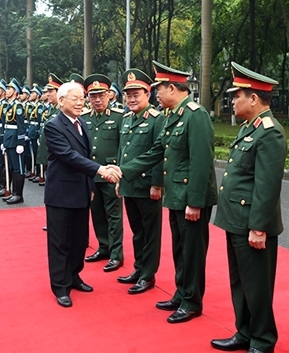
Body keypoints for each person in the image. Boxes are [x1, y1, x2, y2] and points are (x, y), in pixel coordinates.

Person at [116, 61, 217, 324]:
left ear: (172, 88)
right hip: (176, 198)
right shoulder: (174, 115)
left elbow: (201, 162)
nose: (156, 94)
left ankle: (192, 302)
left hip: (191, 200)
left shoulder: (196, 115)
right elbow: (155, 152)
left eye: (158, 89)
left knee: (192, 252)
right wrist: (123, 170)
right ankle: (181, 293)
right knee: (180, 250)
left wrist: (195, 202)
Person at [210, 62, 286, 353]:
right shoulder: (249, 128)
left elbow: (267, 187)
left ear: (253, 98)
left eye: (236, 95)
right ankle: (244, 332)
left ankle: (263, 340)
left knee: (258, 286)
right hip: (235, 220)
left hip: (252, 224)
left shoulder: (270, 132)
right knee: (240, 282)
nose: (232, 101)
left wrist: (258, 227)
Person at [44, 81, 121, 308]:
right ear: (61, 101)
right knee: (60, 242)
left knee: (79, 241)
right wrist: (100, 170)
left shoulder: (82, 124)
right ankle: (60, 286)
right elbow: (69, 156)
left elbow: (85, 154)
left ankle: (74, 276)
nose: (80, 103)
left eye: (81, 99)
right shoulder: (53, 126)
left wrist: (90, 187)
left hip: (81, 192)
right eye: (75, 99)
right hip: (60, 194)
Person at [115, 68, 164, 294]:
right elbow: (122, 152)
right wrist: (119, 178)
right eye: (128, 95)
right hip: (129, 184)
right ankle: (138, 268)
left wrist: (157, 184)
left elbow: (160, 154)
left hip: (147, 187)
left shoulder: (157, 119)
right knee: (136, 231)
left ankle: (148, 275)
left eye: (136, 94)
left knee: (150, 232)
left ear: (148, 94)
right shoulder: (126, 119)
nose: (131, 99)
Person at [82, 73, 125, 272]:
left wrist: (120, 174)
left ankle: (116, 254)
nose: (97, 100)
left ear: (109, 95)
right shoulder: (83, 119)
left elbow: (123, 147)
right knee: (97, 213)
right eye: (93, 96)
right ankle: (103, 247)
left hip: (111, 175)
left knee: (114, 216)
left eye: (101, 95)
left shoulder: (119, 117)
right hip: (93, 174)